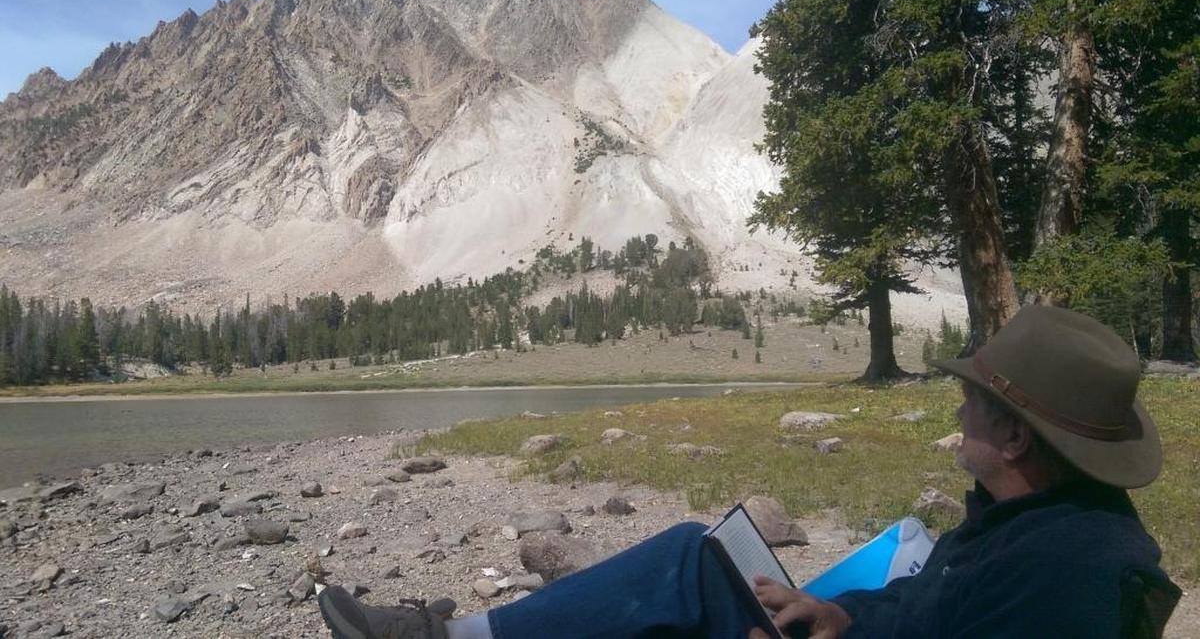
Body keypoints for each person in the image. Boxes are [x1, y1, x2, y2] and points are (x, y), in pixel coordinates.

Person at [317, 306, 1179, 638]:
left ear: (1017, 439)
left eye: (974, 403)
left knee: (687, 571)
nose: (958, 415)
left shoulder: (1063, 574)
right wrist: (840, 613)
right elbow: (931, 605)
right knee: (701, 557)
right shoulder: (1039, 519)